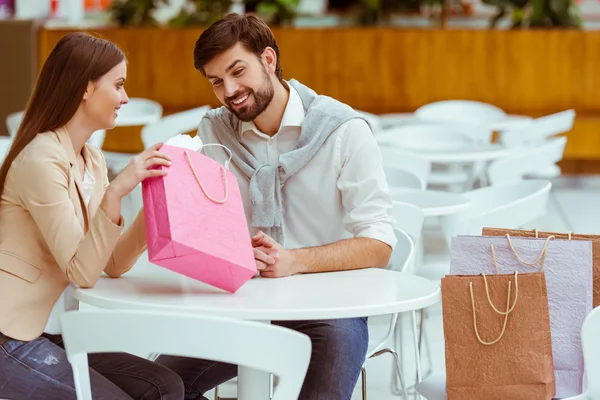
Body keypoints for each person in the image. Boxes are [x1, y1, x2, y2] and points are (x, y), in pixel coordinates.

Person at [156, 13, 397, 400]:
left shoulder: (343, 131)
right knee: (153, 388)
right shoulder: (214, 132)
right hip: (240, 303)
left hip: (330, 311)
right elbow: (205, 227)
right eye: (216, 81)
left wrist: (295, 261)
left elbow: (380, 243)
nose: (229, 90)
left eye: (238, 71)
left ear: (269, 60)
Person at [0, 32, 184, 400]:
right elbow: (82, 271)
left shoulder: (91, 160)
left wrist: (158, 205)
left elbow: (111, 262)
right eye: (118, 85)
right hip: (8, 336)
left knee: (165, 386)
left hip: (37, 332)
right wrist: (117, 191)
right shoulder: (41, 159)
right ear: (86, 87)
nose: (125, 97)